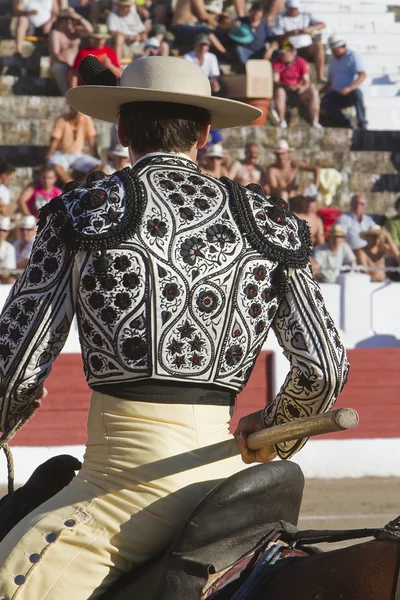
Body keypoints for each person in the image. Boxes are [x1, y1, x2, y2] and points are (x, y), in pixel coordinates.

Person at [0, 56, 348, 599]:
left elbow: (14, 367)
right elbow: (325, 368)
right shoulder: (269, 220)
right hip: (229, 482)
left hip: (121, 492)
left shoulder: (84, 211)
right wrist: (277, 432)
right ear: (205, 132)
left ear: (122, 129)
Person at [272, 0, 326, 82]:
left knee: (319, 45)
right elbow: (277, 36)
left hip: (306, 47)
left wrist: (309, 29)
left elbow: (322, 25)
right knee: (284, 51)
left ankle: (320, 75)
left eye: (294, 9)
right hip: (289, 48)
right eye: (290, 9)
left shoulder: (306, 15)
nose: (293, 10)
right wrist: (290, 33)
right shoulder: (280, 17)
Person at [45, 106, 102, 184]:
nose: (76, 112)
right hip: (61, 154)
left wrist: (96, 157)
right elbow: (54, 141)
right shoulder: (61, 119)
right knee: (56, 166)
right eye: (74, 109)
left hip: (78, 155)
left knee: (99, 166)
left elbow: (91, 142)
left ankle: (82, 186)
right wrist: (48, 157)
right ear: (70, 109)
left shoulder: (86, 119)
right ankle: (73, 186)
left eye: (79, 110)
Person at [272, 39, 321, 128]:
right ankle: (282, 121)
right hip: (284, 91)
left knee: (313, 92)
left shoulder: (301, 61)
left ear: (291, 52)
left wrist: (302, 87)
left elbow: (306, 80)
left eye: (283, 53)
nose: (281, 55)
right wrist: (287, 86)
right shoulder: (277, 63)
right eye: (280, 53)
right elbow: (275, 81)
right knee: (279, 91)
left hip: (298, 92)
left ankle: (315, 121)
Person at [321, 34, 367, 129]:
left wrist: (349, 88)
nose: (333, 52)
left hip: (351, 92)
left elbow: (362, 75)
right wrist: (319, 92)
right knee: (327, 100)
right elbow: (330, 81)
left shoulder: (353, 56)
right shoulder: (333, 61)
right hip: (336, 93)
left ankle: (362, 123)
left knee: (357, 95)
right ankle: (345, 123)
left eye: (335, 49)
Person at [49, 8, 93, 95]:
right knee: (60, 68)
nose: (69, 22)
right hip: (61, 64)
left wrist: (79, 18)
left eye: (71, 20)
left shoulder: (76, 32)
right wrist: (68, 64)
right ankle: (67, 97)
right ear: (61, 20)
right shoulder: (56, 33)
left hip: (76, 65)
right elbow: (56, 53)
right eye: (66, 19)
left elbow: (91, 32)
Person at [230, 2, 276, 67]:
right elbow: (230, 29)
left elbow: (272, 40)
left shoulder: (264, 24)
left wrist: (270, 50)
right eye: (253, 13)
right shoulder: (242, 20)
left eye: (257, 14)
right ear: (250, 12)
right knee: (238, 49)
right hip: (245, 51)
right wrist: (234, 25)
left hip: (259, 52)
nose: (255, 16)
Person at [0, 216, 16, 283]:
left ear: (8, 232)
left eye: (4, 230)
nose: (1, 233)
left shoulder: (10, 248)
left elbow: (6, 274)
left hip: (3, 279)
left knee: (12, 281)